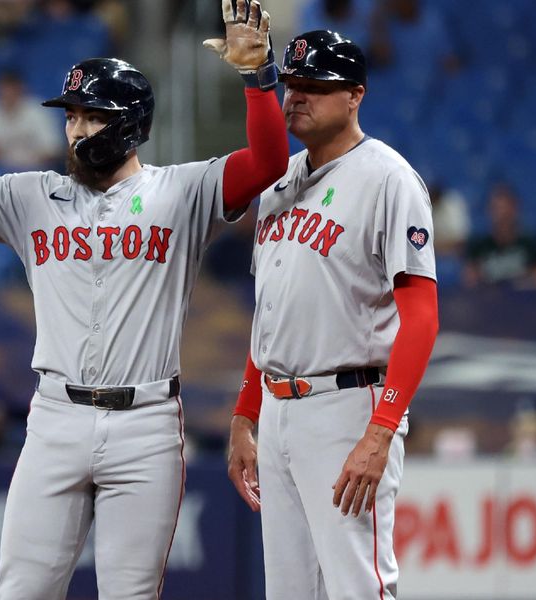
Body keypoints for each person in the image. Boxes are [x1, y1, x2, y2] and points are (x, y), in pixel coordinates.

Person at [0, 2, 288, 598]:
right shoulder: (33, 196)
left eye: (93, 115)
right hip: (55, 416)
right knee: (19, 591)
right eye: (72, 116)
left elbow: (267, 163)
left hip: (146, 423)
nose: (77, 128)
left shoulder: (180, 191)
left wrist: (258, 78)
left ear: (132, 124)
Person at [226, 30, 439, 599]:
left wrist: (381, 432)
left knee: (357, 586)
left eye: (316, 86)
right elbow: (271, 312)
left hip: (349, 405)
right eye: (293, 84)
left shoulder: (389, 180)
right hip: (278, 409)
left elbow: (420, 318)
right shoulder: (277, 183)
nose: (297, 96)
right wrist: (247, 413)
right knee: (289, 591)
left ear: (355, 96)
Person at [0, 69, 64, 172]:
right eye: (3, 89)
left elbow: (54, 150)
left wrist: (29, 155)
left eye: (12, 89)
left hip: (33, 172)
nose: (7, 93)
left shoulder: (40, 112)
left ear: (22, 89)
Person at [462, 182, 536, 289]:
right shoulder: (479, 247)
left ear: (515, 210)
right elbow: (469, 282)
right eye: (496, 209)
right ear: (489, 212)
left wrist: (526, 282)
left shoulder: (530, 245)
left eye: (505, 210)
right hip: (491, 302)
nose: (501, 216)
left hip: (524, 301)